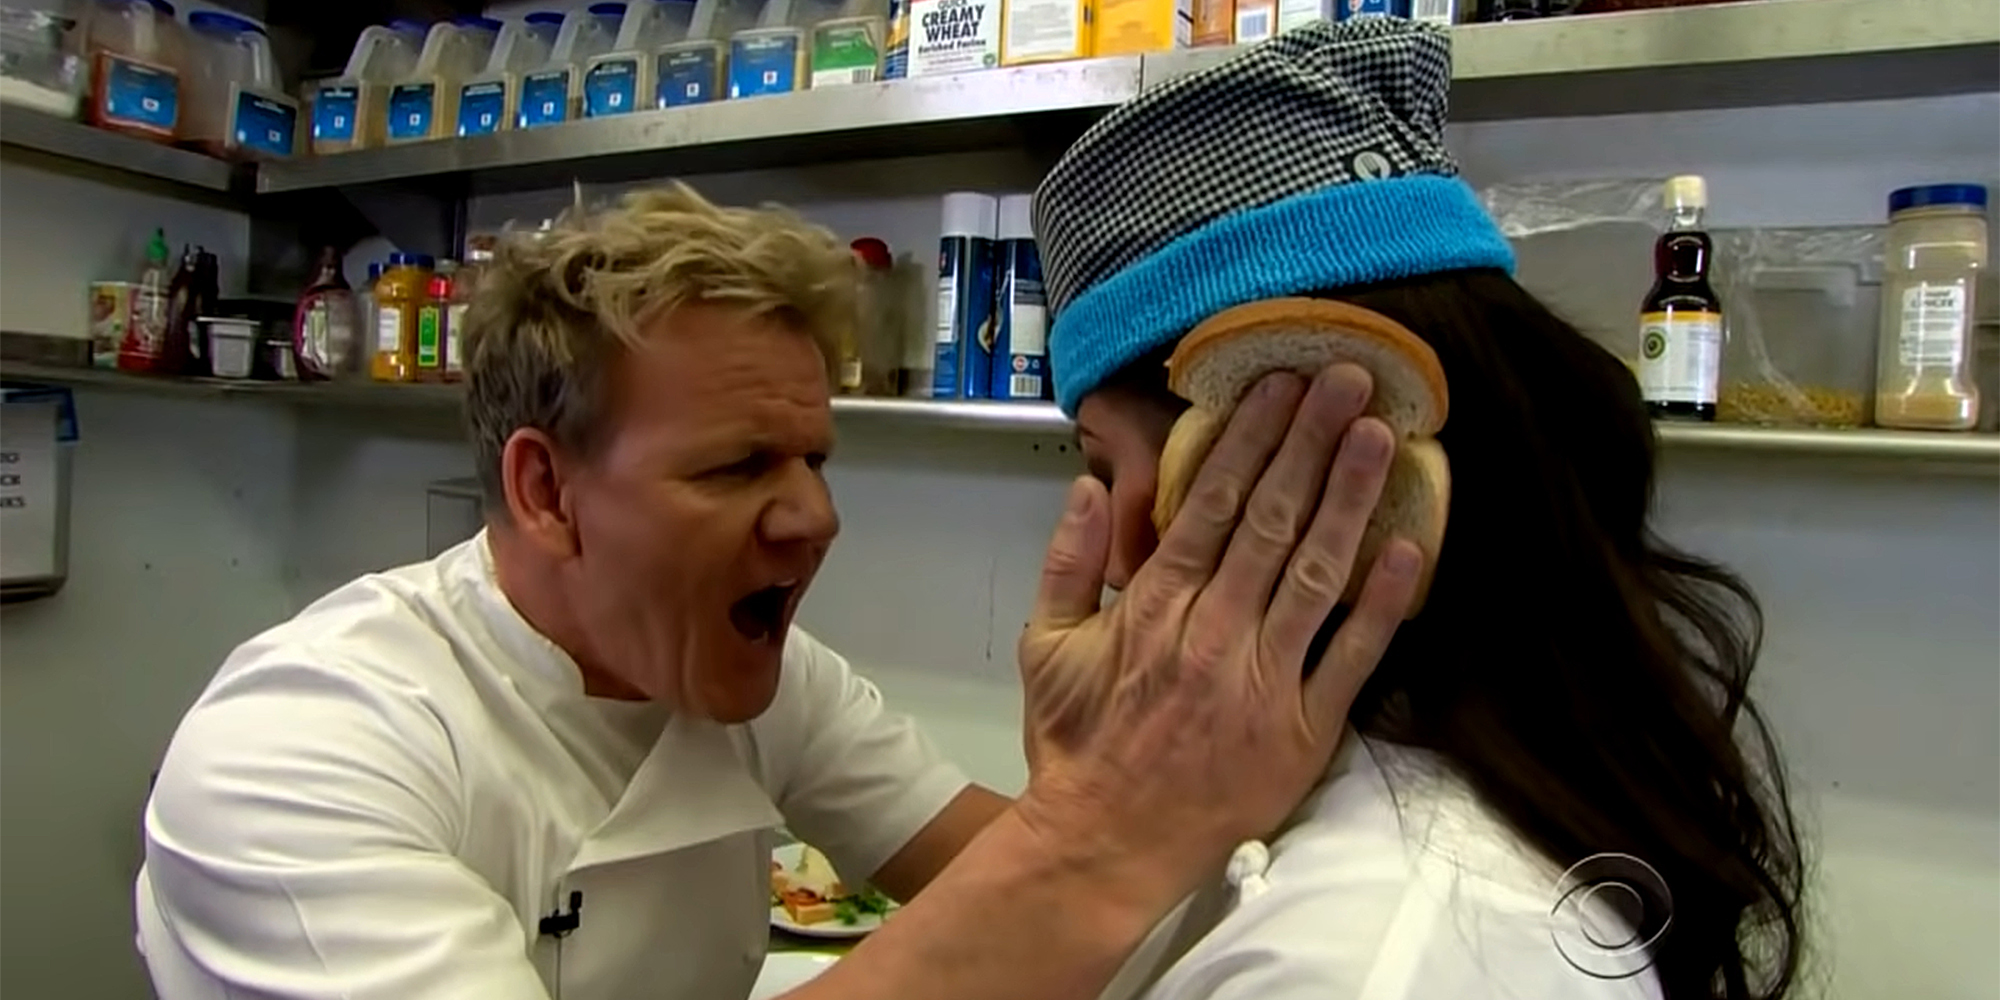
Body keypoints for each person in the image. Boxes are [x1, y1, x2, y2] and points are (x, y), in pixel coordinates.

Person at [134, 180, 1424, 999]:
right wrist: (1087, 827)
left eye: (813, 456)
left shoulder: (758, 682)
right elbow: (1048, 877)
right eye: (740, 464)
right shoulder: (303, 750)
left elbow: (1040, 903)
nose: (814, 516)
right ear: (543, 490)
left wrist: (1152, 798)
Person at [1035, 20, 1807, 1000]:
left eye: (1104, 467)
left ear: (1287, 457)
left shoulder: (1372, 959)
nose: (1109, 563)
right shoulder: (1461, 804)